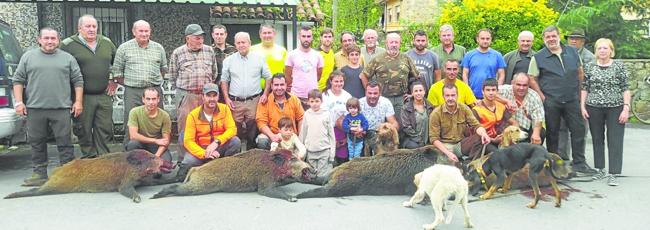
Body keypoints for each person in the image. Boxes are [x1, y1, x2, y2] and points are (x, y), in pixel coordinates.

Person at [12, 27, 84, 186]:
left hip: (62, 108)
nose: (50, 41)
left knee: (65, 142)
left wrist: (78, 102)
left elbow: (78, 81)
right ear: (39, 40)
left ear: (58, 40)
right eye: (46, 38)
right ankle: (39, 174)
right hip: (35, 108)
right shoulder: (28, 57)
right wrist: (19, 102)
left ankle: (67, 173)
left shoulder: (68, 58)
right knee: (36, 141)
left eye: (53, 38)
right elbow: (18, 81)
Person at [528, 25, 597, 175]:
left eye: (554, 36)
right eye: (548, 37)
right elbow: (532, 78)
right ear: (544, 39)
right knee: (553, 132)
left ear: (559, 36)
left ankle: (579, 162)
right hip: (552, 101)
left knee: (578, 130)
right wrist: (542, 96)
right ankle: (554, 164)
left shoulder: (572, 52)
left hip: (572, 99)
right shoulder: (538, 57)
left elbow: (580, 72)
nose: (551, 39)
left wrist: (579, 94)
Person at [60, 15, 116, 159]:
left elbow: (117, 64)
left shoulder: (106, 42)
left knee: (104, 128)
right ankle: (89, 158)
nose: (92, 29)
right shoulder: (67, 45)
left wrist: (113, 80)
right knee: (83, 129)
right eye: (88, 26)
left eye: (94, 26)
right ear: (79, 28)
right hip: (81, 96)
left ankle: (103, 159)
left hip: (104, 94)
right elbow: (60, 68)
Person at [581, 38, 630, 186]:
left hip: (616, 107)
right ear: (596, 51)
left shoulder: (619, 66)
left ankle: (614, 173)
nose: (602, 51)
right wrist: (582, 106)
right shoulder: (589, 66)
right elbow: (585, 87)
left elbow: (625, 88)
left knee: (615, 139)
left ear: (611, 51)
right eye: (599, 48)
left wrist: (626, 108)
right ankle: (600, 169)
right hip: (593, 107)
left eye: (605, 48)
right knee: (597, 138)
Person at [112, 20, 167, 144]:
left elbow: (163, 69)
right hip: (133, 92)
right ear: (134, 32)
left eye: (146, 31)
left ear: (150, 32)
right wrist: (132, 83)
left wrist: (152, 84)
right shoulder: (124, 48)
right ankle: (129, 151)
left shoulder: (158, 48)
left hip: (154, 90)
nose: (144, 34)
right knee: (131, 121)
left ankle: (157, 149)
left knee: (157, 120)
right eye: (141, 31)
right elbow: (117, 72)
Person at [169, 24, 218, 162]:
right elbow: (172, 76)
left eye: (202, 37)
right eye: (197, 38)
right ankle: (183, 161)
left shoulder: (209, 51)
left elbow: (214, 73)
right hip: (187, 95)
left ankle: (205, 158)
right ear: (188, 38)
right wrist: (185, 91)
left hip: (205, 96)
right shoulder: (178, 52)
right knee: (185, 128)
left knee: (207, 127)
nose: (200, 40)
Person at [175, 83, 241, 181]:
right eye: (208, 95)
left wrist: (217, 142)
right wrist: (205, 153)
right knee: (188, 162)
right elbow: (188, 141)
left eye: (214, 95)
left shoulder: (225, 109)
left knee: (235, 141)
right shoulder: (193, 115)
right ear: (203, 97)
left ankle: (225, 169)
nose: (212, 99)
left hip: (218, 148)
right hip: (200, 150)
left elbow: (232, 129)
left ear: (218, 96)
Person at [221, 31, 272, 150]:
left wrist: (265, 94)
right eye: (238, 43)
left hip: (253, 100)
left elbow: (268, 77)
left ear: (249, 43)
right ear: (235, 44)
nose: (241, 45)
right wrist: (227, 98)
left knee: (252, 131)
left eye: (243, 42)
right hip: (235, 102)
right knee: (235, 132)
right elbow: (224, 80)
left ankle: (251, 155)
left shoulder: (259, 59)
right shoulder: (228, 61)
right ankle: (237, 157)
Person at [360, 32, 419, 120]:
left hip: (401, 98)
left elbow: (417, 77)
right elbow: (363, 76)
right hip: (382, 98)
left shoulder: (406, 59)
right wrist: (370, 91)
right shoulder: (378, 59)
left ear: (400, 44)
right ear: (386, 43)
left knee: (401, 124)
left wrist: (413, 93)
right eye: (391, 42)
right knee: (383, 126)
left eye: (396, 42)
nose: (394, 45)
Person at [428, 84, 490, 165]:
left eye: (453, 95)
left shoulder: (464, 108)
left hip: (460, 144)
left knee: (479, 138)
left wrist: (484, 134)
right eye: (447, 95)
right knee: (449, 165)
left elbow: (476, 125)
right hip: (444, 145)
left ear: (457, 96)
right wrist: (448, 153)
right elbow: (434, 139)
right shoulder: (436, 113)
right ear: (443, 96)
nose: (450, 98)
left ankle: (468, 165)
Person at [255, 73, 305, 149]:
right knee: (262, 140)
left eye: (282, 85)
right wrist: (272, 136)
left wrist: (299, 138)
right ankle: (267, 160)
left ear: (286, 85)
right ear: (271, 86)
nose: (279, 87)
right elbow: (261, 122)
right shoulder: (264, 100)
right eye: (276, 85)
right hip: (273, 136)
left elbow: (301, 118)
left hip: (291, 136)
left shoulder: (294, 99)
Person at [125, 87, 172, 164]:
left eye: (153, 99)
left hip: (156, 146)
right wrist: (155, 140)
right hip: (141, 143)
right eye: (148, 99)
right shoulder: (134, 112)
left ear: (158, 99)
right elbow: (133, 135)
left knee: (165, 163)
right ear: (143, 99)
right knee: (132, 144)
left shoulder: (165, 116)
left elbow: (165, 141)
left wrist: (156, 156)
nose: (151, 102)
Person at [299, 89, 336, 184]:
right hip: (311, 151)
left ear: (321, 101)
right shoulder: (307, 114)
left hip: (324, 150)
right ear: (308, 102)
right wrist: (300, 151)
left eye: (317, 101)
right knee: (311, 178)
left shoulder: (326, 114)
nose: (314, 104)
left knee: (322, 178)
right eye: (312, 101)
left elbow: (331, 135)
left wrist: (332, 154)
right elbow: (303, 132)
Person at [498, 73, 545, 144]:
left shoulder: (534, 96)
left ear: (529, 85)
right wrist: (506, 101)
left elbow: (538, 118)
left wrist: (536, 134)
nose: (521, 88)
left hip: (524, 129)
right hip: (505, 127)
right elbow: (490, 93)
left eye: (524, 85)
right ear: (512, 83)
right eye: (518, 85)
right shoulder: (504, 89)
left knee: (541, 132)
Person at [471, 78, 516, 152]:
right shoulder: (477, 110)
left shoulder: (501, 106)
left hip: (501, 138)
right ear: (483, 91)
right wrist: (493, 140)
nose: (491, 93)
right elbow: (475, 134)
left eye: (493, 90)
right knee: (498, 154)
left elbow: (514, 122)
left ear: (497, 91)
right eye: (488, 90)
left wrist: (511, 135)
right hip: (483, 141)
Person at [284, 25, 324, 109]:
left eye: (308, 36)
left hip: (312, 97)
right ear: (299, 37)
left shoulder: (318, 55)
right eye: (303, 36)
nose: (306, 39)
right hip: (296, 96)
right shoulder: (291, 55)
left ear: (312, 37)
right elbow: (287, 74)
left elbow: (319, 75)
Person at [461, 28, 506, 98]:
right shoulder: (469, 55)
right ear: (477, 39)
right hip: (473, 95)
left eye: (487, 39)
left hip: (490, 95)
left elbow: (502, 75)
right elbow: (465, 74)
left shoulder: (497, 55)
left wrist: (497, 89)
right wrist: (468, 91)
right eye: (482, 38)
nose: (485, 41)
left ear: (491, 40)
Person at [359, 81, 399, 156]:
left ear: (380, 93)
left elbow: (394, 123)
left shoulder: (386, 102)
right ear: (365, 92)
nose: (372, 96)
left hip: (379, 134)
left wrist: (390, 129)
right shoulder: (359, 103)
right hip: (363, 134)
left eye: (375, 93)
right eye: (369, 93)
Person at [321, 71, 352, 165]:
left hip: (342, 130)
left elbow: (351, 115)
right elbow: (322, 114)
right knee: (331, 157)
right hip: (329, 129)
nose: (339, 84)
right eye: (336, 81)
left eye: (341, 81)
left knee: (342, 157)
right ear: (331, 81)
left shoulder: (347, 96)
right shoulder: (325, 95)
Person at [250, 24, 287, 88]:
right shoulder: (252, 50)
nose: (267, 35)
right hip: (257, 89)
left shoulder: (282, 50)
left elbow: (286, 71)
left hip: (277, 89)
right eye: (264, 33)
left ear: (274, 34)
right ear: (260, 35)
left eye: (269, 33)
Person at [400, 81, 434, 149]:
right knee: (415, 147)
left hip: (428, 139)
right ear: (412, 93)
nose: (418, 93)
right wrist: (419, 140)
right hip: (412, 140)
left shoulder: (430, 107)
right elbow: (406, 127)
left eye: (420, 90)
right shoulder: (405, 108)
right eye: (416, 91)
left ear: (424, 92)